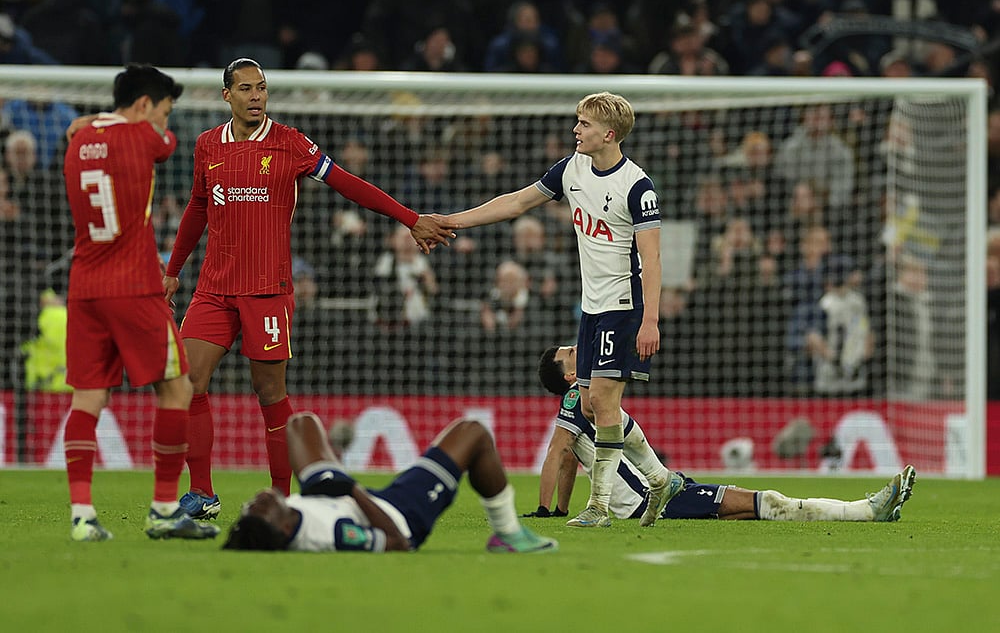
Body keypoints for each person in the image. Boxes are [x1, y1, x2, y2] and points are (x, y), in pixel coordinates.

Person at [163, 58, 455, 521]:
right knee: (187, 383)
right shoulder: (206, 146)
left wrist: (410, 218)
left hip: (268, 290)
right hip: (214, 289)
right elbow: (197, 208)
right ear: (227, 96)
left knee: (269, 392)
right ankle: (202, 492)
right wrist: (173, 269)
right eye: (246, 89)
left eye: (261, 88)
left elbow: (349, 185)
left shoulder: (290, 143)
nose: (256, 96)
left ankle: (280, 497)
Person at [440, 91, 682, 528]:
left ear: (609, 134)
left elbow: (653, 259)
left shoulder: (637, 186)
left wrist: (650, 320)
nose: (576, 130)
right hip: (590, 308)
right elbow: (516, 202)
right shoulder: (571, 169)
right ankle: (660, 478)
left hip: (623, 306)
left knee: (605, 404)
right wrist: (454, 220)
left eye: (585, 124)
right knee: (589, 407)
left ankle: (599, 507)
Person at [61, 64, 219, 542]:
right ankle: (165, 509)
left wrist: (88, 123)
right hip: (133, 286)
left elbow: (89, 128)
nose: (166, 126)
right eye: (165, 113)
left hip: (84, 287)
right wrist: (144, 129)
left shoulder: (75, 144)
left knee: (88, 398)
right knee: (178, 390)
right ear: (145, 105)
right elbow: (165, 146)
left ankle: (82, 516)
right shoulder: (147, 140)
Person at [531, 345, 917, 523]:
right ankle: (866, 511)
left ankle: (867, 509)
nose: (576, 345)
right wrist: (546, 510)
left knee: (745, 508)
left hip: (657, 492)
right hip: (646, 502)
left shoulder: (588, 397)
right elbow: (556, 453)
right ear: (568, 377)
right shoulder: (574, 398)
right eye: (569, 352)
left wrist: (558, 509)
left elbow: (567, 460)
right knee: (762, 502)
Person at [221, 411, 558, 553]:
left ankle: (334, 459)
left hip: (333, 496)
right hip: (400, 513)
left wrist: (331, 484)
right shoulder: (332, 535)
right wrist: (349, 487)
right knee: (474, 433)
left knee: (300, 423)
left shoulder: (280, 520)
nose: (258, 500)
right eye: (263, 508)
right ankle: (509, 533)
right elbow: (398, 542)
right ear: (281, 528)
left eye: (251, 506)